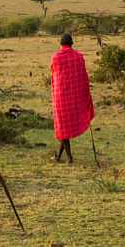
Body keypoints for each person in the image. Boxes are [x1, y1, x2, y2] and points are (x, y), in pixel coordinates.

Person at [50, 34, 95, 164]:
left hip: (61, 97)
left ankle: (69, 158)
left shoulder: (56, 58)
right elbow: (84, 77)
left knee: (62, 127)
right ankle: (59, 156)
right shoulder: (79, 57)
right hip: (75, 97)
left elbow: (54, 75)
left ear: (61, 44)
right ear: (72, 43)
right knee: (64, 129)